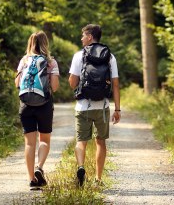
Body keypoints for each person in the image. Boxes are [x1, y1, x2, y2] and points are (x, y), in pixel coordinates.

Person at [68, 24, 121, 187]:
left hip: (83, 106)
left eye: (83, 35)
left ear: (90, 36)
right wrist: (117, 109)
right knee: (100, 142)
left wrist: (75, 82)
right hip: (102, 107)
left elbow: (72, 83)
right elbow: (116, 85)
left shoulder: (78, 55)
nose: (81, 38)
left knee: (81, 141)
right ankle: (98, 179)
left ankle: (81, 167)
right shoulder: (110, 57)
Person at [15, 31, 60, 189]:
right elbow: (54, 87)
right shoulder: (50, 62)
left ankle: (32, 179)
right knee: (44, 140)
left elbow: (17, 84)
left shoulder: (24, 60)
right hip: (44, 105)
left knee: (29, 143)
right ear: (45, 43)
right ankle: (39, 167)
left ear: (30, 42)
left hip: (26, 104)